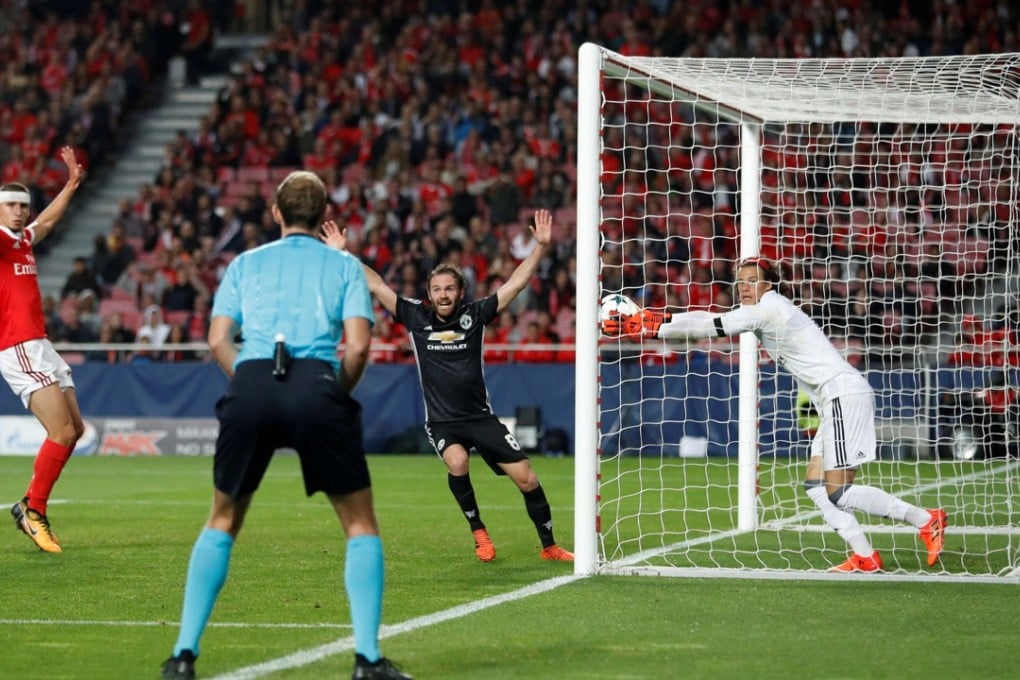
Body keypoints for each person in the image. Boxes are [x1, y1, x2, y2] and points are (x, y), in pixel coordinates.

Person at [160, 171, 411, 680]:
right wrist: (333, 392)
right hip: (317, 383)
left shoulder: (244, 264)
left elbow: (216, 340)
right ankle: (367, 660)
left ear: (276, 212)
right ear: (323, 218)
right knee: (359, 525)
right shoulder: (342, 265)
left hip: (252, 382)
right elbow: (360, 346)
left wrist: (249, 378)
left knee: (222, 519)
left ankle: (183, 656)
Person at [604, 257, 947, 572]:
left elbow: (707, 327)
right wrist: (654, 320)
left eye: (752, 280)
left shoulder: (769, 309)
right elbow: (704, 318)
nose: (744, 286)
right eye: (740, 281)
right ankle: (864, 555)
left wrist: (650, 326)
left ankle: (924, 519)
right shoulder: (759, 309)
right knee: (816, 487)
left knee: (838, 491)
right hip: (833, 399)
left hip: (844, 394)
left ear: (768, 285)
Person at [323, 209, 573, 563]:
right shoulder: (415, 317)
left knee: (528, 479)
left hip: (480, 418)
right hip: (442, 421)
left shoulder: (476, 315)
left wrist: (540, 248)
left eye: (449, 289)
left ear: (460, 292)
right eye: (437, 289)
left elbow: (514, 284)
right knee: (457, 463)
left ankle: (549, 546)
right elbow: (377, 284)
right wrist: (342, 253)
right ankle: (480, 534)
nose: (443, 295)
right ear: (429, 293)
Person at [2, 146, 86, 553]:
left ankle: (27, 505)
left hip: (39, 344)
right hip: (17, 346)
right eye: (11, 205)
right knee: (62, 431)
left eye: (23, 205)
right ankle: (34, 512)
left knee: (76, 431)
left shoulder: (22, 240)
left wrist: (70, 185)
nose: (19, 212)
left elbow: (48, 221)